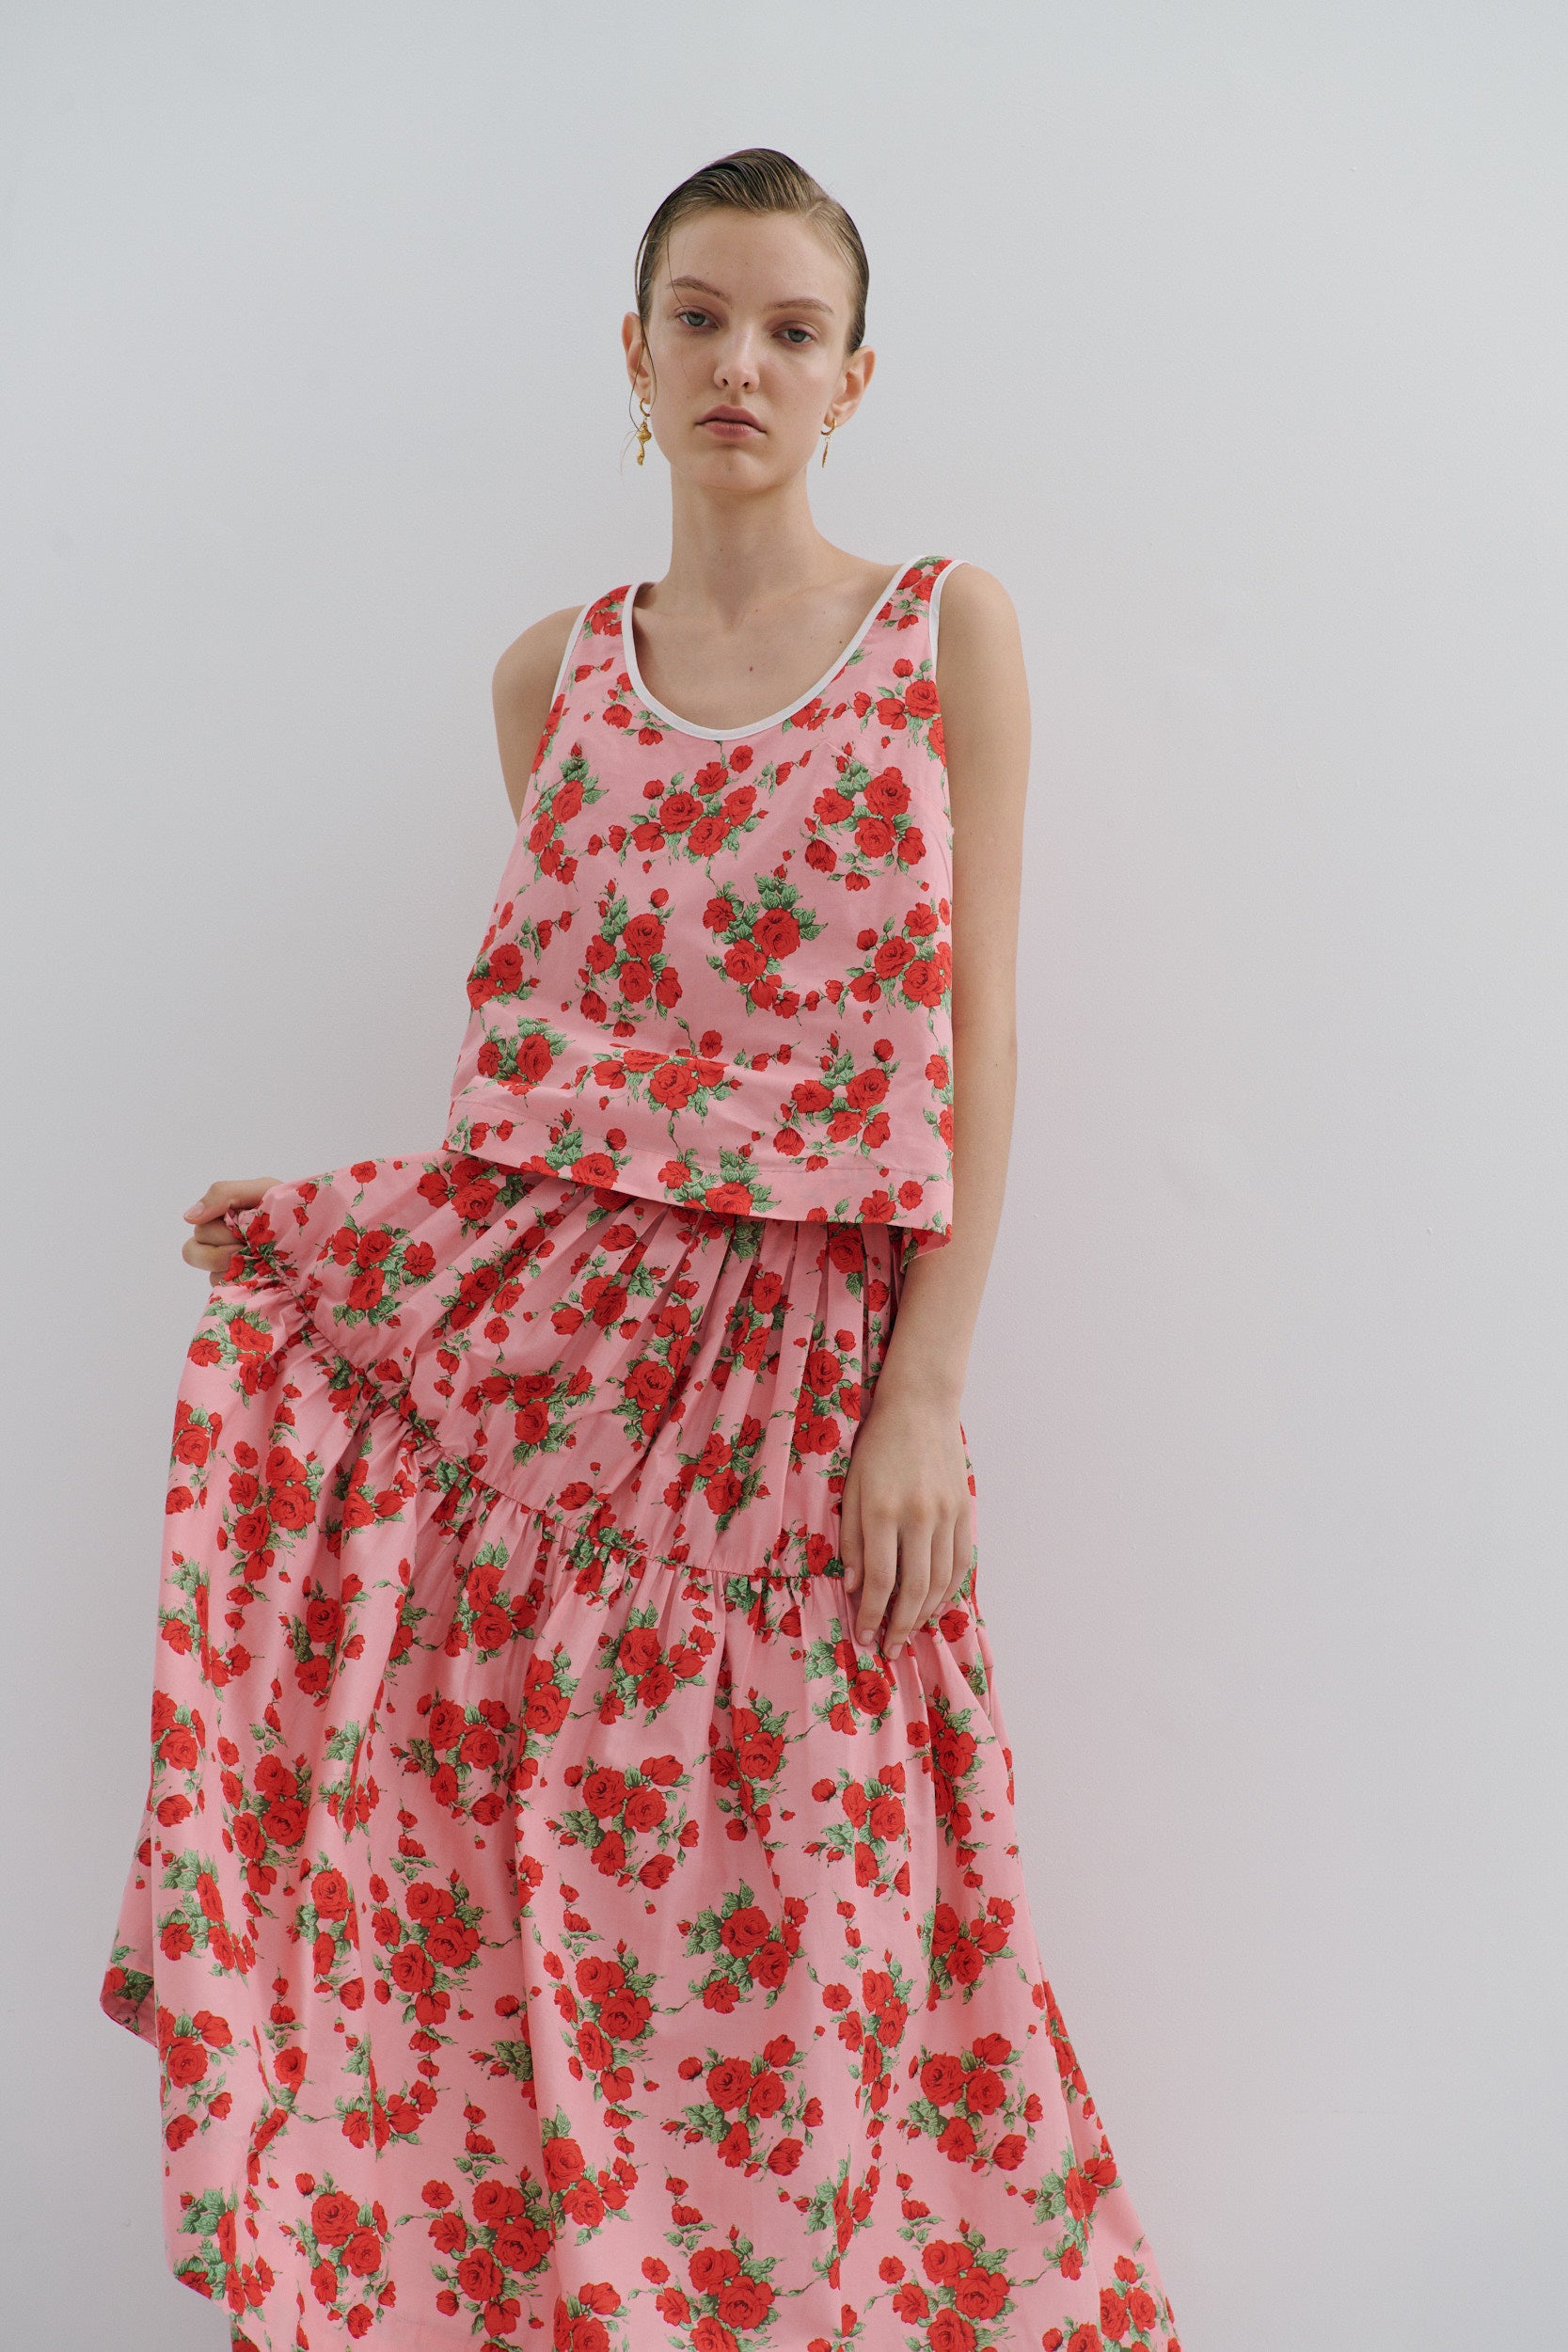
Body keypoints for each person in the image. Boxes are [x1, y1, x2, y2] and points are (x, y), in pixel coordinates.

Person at [103, 147, 1181, 2352]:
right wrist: (342, 1241)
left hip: (816, 1389)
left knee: (835, 1957)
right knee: (534, 1936)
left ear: (854, 376)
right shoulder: (554, 678)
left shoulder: (946, 631)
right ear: (633, 353)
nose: (739, 364)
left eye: (791, 328)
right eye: (699, 318)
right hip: (566, 1406)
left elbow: (977, 1034)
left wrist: (926, 1387)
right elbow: (584, 1111)